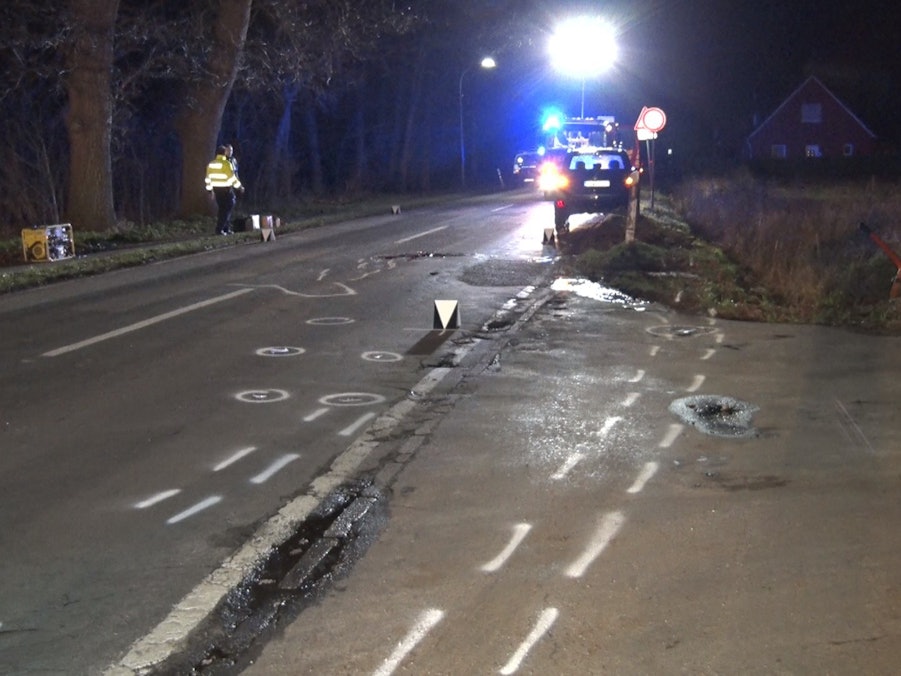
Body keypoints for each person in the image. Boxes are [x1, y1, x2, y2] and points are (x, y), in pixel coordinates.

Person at [205, 145, 243, 235]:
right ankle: (219, 229)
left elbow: (207, 179)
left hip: (217, 191)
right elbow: (232, 178)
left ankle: (225, 229)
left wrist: (210, 191)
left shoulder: (211, 164)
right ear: (224, 152)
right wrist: (240, 187)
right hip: (226, 190)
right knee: (227, 208)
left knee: (222, 210)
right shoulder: (226, 164)